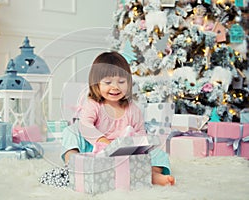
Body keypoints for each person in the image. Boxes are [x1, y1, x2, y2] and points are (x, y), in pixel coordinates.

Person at [61, 51, 175, 186]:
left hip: (124, 153)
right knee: (71, 131)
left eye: (121, 82)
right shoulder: (94, 104)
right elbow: (85, 125)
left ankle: (150, 174)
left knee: (158, 154)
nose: (115, 87)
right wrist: (102, 141)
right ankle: (74, 165)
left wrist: (135, 147)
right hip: (94, 152)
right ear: (96, 84)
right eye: (108, 82)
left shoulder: (133, 109)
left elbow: (140, 133)